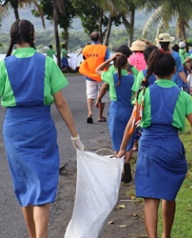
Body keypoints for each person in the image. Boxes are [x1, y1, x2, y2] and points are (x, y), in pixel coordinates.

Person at [117, 48, 192, 238]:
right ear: (174, 71)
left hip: (149, 148)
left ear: (154, 71)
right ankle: (166, 235)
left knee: (150, 198)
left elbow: (131, 125)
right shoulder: (182, 96)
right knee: (168, 195)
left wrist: (122, 150)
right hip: (172, 148)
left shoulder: (144, 94)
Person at [0, 19, 84, 238]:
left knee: (25, 185)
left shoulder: (3, 64)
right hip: (40, 127)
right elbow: (61, 103)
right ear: (33, 35)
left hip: (14, 128)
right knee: (42, 187)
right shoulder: (46, 62)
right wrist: (75, 135)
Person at [96, 53, 135, 183]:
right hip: (129, 109)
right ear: (126, 65)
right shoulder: (133, 77)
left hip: (116, 110)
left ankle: (119, 167)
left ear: (115, 65)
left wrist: (109, 60)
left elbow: (97, 70)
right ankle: (127, 162)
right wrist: (131, 66)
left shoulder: (111, 77)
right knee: (128, 138)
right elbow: (140, 74)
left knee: (116, 139)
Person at [79, 31, 111, 123]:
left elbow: (85, 59)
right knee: (102, 95)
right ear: (99, 38)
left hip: (89, 74)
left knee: (90, 95)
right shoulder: (104, 48)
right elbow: (107, 61)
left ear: (90, 39)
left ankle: (90, 112)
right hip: (101, 74)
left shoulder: (86, 48)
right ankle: (100, 116)